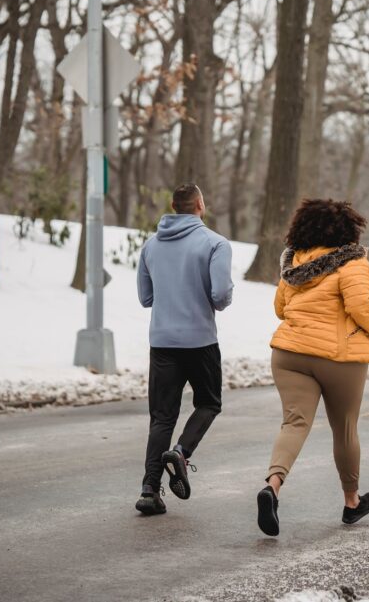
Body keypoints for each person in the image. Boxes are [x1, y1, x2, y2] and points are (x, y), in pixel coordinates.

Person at [256, 199, 369, 536]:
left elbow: (280, 308)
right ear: (349, 229)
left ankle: (272, 486)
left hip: (289, 353)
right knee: (344, 427)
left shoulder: (294, 262)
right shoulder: (353, 263)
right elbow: (360, 307)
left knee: (294, 423)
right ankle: (351, 502)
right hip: (339, 358)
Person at [134, 183, 233, 515]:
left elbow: (146, 298)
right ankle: (181, 451)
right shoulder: (215, 244)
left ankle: (149, 489)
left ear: (174, 206)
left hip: (161, 343)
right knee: (208, 402)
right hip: (200, 341)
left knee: (161, 417)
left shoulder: (150, 246)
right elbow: (220, 296)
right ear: (200, 205)